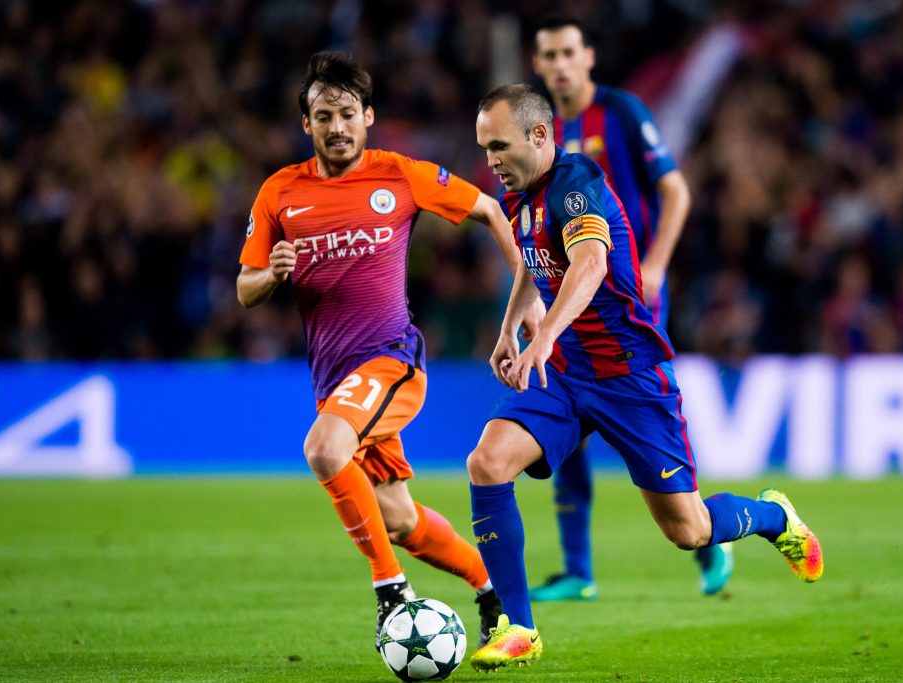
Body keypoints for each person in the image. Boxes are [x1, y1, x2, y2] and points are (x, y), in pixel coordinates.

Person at [468, 84, 823, 671]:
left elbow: (590, 264)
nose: (491, 160)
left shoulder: (577, 184)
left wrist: (545, 334)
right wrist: (512, 329)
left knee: (688, 529)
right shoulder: (517, 196)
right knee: (486, 462)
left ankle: (774, 516)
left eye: (499, 145)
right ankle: (519, 627)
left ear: (539, 135)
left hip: (631, 376)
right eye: (484, 148)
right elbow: (534, 265)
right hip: (564, 372)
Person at [237, 52, 525, 648]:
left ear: (368, 116)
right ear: (306, 125)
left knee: (323, 448)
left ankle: (390, 592)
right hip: (334, 381)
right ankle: (492, 590)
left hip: (390, 361)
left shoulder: (400, 174)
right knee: (399, 519)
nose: (336, 126)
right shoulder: (279, 192)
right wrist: (273, 275)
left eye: (347, 113)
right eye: (323, 115)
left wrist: (525, 299)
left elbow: (490, 209)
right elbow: (245, 288)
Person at [527, 16, 732, 602]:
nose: (561, 63)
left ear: (588, 56)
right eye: (549, 55)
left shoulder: (621, 113)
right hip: (562, 298)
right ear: (538, 65)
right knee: (560, 426)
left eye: (569, 51)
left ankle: (704, 536)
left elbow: (676, 190)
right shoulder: (537, 129)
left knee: (646, 418)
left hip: (626, 298)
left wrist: (657, 264)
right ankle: (577, 570)